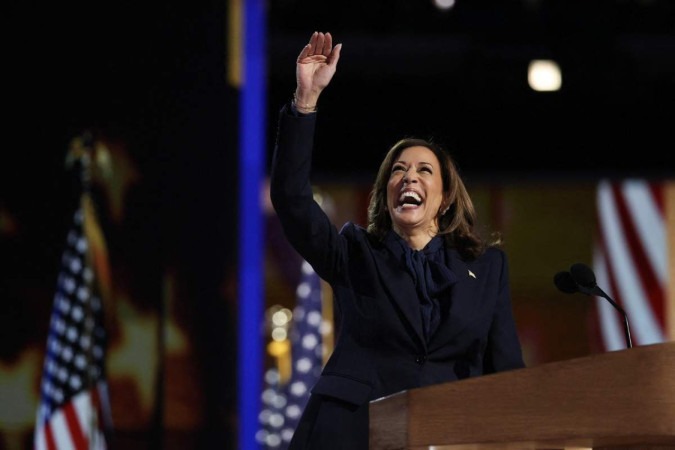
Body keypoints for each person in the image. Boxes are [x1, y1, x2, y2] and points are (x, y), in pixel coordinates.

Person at [269, 31, 526, 450]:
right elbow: (293, 201)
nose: (409, 177)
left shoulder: (488, 269)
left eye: (425, 171)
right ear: (387, 196)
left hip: (451, 435)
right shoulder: (354, 253)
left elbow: (507, 371)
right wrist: (305, 101)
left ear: (444, 200)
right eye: (398, 170)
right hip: (354, 432)